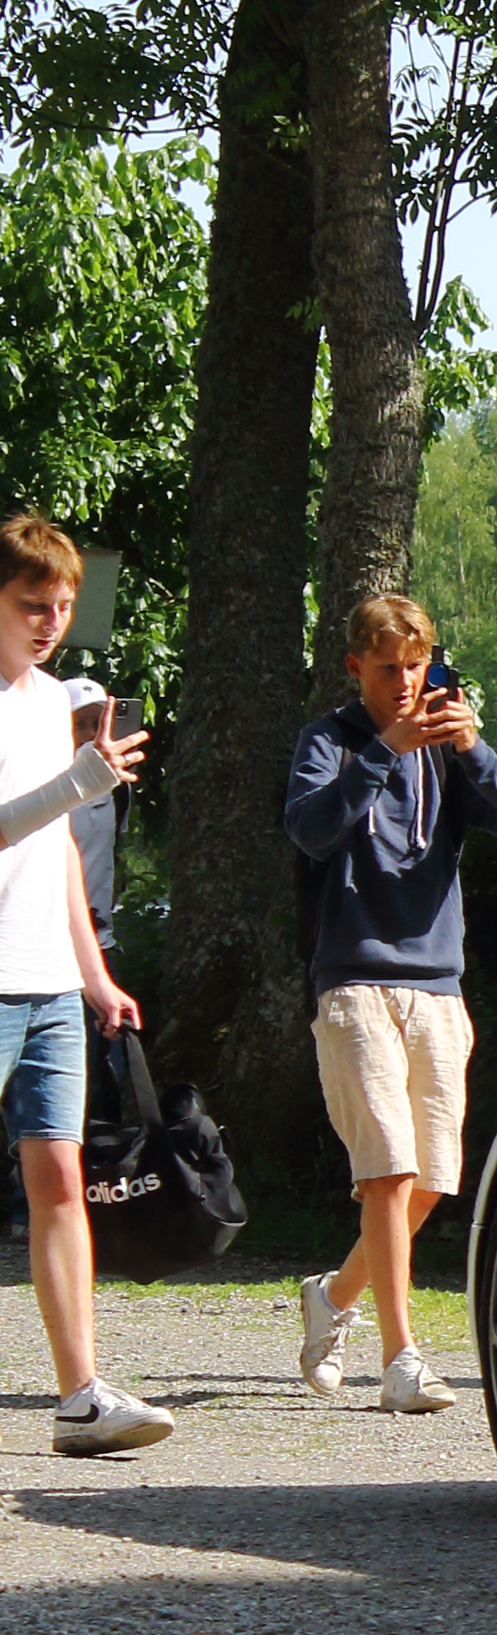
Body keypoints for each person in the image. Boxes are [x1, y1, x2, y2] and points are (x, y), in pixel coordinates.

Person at [285, 594, 497, 1412]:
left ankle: (332, 1298)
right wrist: (382, 752)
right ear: (354, 668)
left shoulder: (445, 745)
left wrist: (470, 748)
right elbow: (310, 827)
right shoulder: (329, 741)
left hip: (438, 984)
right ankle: (400, 1359)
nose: (403, 683)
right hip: (354, 978)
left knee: (434, 1177)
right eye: (386, 668)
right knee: (389, 1170)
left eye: (414, 665)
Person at [0, 510, 170, 1452]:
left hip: (48, 985)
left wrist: (93, 972)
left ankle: (79, 1396)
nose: (50, 621)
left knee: (61, 1177)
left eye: (63, 604)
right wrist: (79, 783)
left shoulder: (46, 699)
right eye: (32, 603)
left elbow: (61, 846)